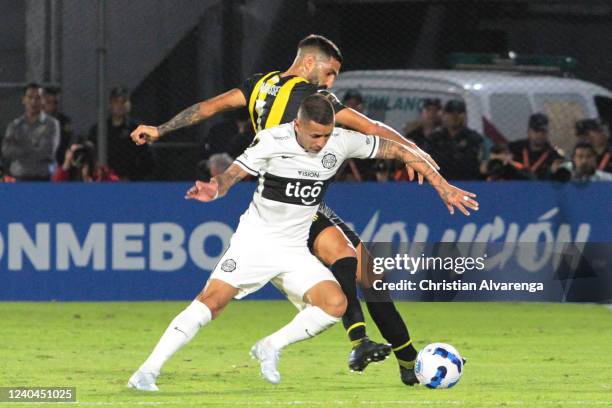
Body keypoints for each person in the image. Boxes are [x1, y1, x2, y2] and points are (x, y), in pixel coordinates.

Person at [130, 34, 441, 385]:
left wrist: (161, 129)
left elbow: (208, 107)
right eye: (330, 72)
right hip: (280, 206)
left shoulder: (261, 85)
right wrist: (422, 157)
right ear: (309, 63)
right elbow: (372, 128)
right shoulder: (314, 101)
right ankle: (385, 352)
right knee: (361, 269)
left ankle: (381, 352)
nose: (331, 82)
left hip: (297, 205)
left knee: (355, 276)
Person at [89, 86, 155, 180]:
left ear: (129, 104)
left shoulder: (137, 129)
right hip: (104, 180)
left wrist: (133, 177)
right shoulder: (99, 129)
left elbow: (148, 159)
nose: (120, 105)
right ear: (110, 104)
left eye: (123, 102)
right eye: (116, 102)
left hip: (129, 182)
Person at [1, 82, 60, 181]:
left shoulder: (52, 124)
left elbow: (47, 151)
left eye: (38, 98)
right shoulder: (15, 125)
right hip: (19, 177)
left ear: (43, 100)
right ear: (23, 100)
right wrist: (33, 146)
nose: (33, 101)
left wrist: (20, 147)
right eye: (30, 97)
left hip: (44, 177)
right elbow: (6, 151)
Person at [423, 100, 484, 180]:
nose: (455, 116)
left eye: (459, 112)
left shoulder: (474, 138)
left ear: (465, 115)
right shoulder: (434, 138)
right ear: (444, 115)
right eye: (451, 113)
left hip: (468, 183)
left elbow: (474, 164)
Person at [509, 113, 563, 180]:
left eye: (543, 131)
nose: (540, 135)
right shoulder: (514, 148)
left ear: (547, 133)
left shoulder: (554, 155)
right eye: (536, 131)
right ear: (529, 132)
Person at [52, 142, 119, 182]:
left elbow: (115, 185)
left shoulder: (102, 172)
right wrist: (66, 165)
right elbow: (55, 189)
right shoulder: (68, 173)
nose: (79, 156)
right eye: (76, 153)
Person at [41, 86, 74, 165]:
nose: (52, 106)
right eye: (49, 102)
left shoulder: (64, 121)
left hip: (60, 161)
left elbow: (67, 142)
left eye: (55, 102)